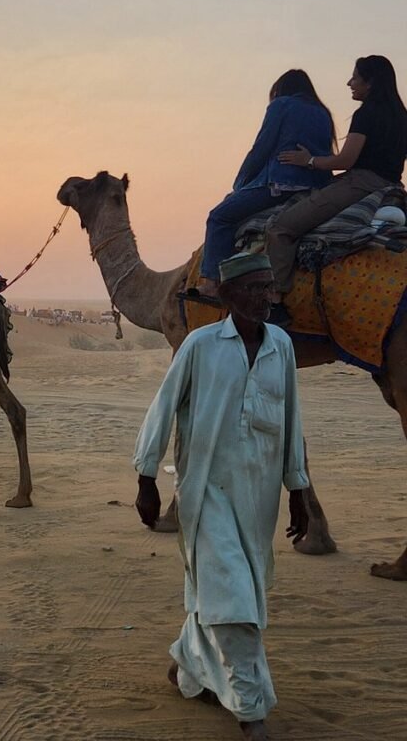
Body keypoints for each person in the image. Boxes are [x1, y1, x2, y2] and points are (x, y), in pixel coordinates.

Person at [133, 252, 311, 741]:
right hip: (204, 490)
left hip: (258, 497)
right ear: (228, 297)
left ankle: (189, 662)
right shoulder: (200, 345)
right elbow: (163, 406)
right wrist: (146, 477)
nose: (265, 298)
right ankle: (250, 709)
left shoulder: (282, 347)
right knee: (234, 599)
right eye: (254, 289)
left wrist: (299, 490)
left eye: (269, 288)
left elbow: (292, 419)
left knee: (230, 587)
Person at [267, 55, 407, 325]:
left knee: (281, 228)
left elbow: (345, 160)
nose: (349, 83)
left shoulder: (366, 113)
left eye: (355, 78)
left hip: (361, 183)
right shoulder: (402, 117)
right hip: (393, 186)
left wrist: (308, 161)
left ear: (371, 81)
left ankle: (275, 302)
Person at [194, 70, 335, 299]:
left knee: (219, 217)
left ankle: (211, 283)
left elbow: (262, 147)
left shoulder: (281, 105)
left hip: (282, 183)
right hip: (316, 186)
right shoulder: (323, 112)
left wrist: (240, 183)